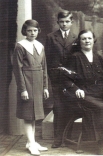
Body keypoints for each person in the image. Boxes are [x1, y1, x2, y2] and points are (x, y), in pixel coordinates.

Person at [65, 30, 103, 155]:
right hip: (83, 95)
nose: (87, 41)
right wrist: (76, 89)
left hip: (99, 93)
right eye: (84, 39)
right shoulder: (75, 57)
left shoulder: (98, 58)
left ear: (93, 40)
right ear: (79, 42)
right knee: (101, 108)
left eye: (89, 38)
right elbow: (66, 79)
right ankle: (101, 144)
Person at [13, 20, 49, 156]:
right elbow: (17, 69)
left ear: (38, 31)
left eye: (35, 30)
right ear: (25, 31)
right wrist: (23, 89)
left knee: (35, 115)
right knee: (28, 114)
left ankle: (31, 142)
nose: (32, 33)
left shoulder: (40, 46)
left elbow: (44, 67)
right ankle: (31, 143)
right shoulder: (20, 46)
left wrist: (45, 87)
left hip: (39, 82)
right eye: (29, 30)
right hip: (27, 82)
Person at [45, 10, 78, 148]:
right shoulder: (51, 37)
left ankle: (68, 136)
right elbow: (46, 58)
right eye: (61, 22)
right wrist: (50, 75)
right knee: (58, 107)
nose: (64, 24)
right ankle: (57, 138)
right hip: (57, 78)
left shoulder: (76, 37)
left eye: (67, 21)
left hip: (71, 79)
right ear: (58, 22)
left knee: (70, 106)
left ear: (71, 22)